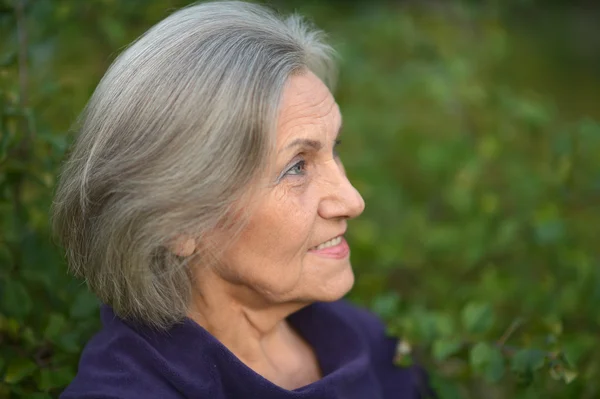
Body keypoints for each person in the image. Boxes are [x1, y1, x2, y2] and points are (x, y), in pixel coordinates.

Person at [53, 1, 432, 398]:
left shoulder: (368, 341)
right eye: (296, 167)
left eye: (333, 148)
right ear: (178, 222)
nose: (352, 201)